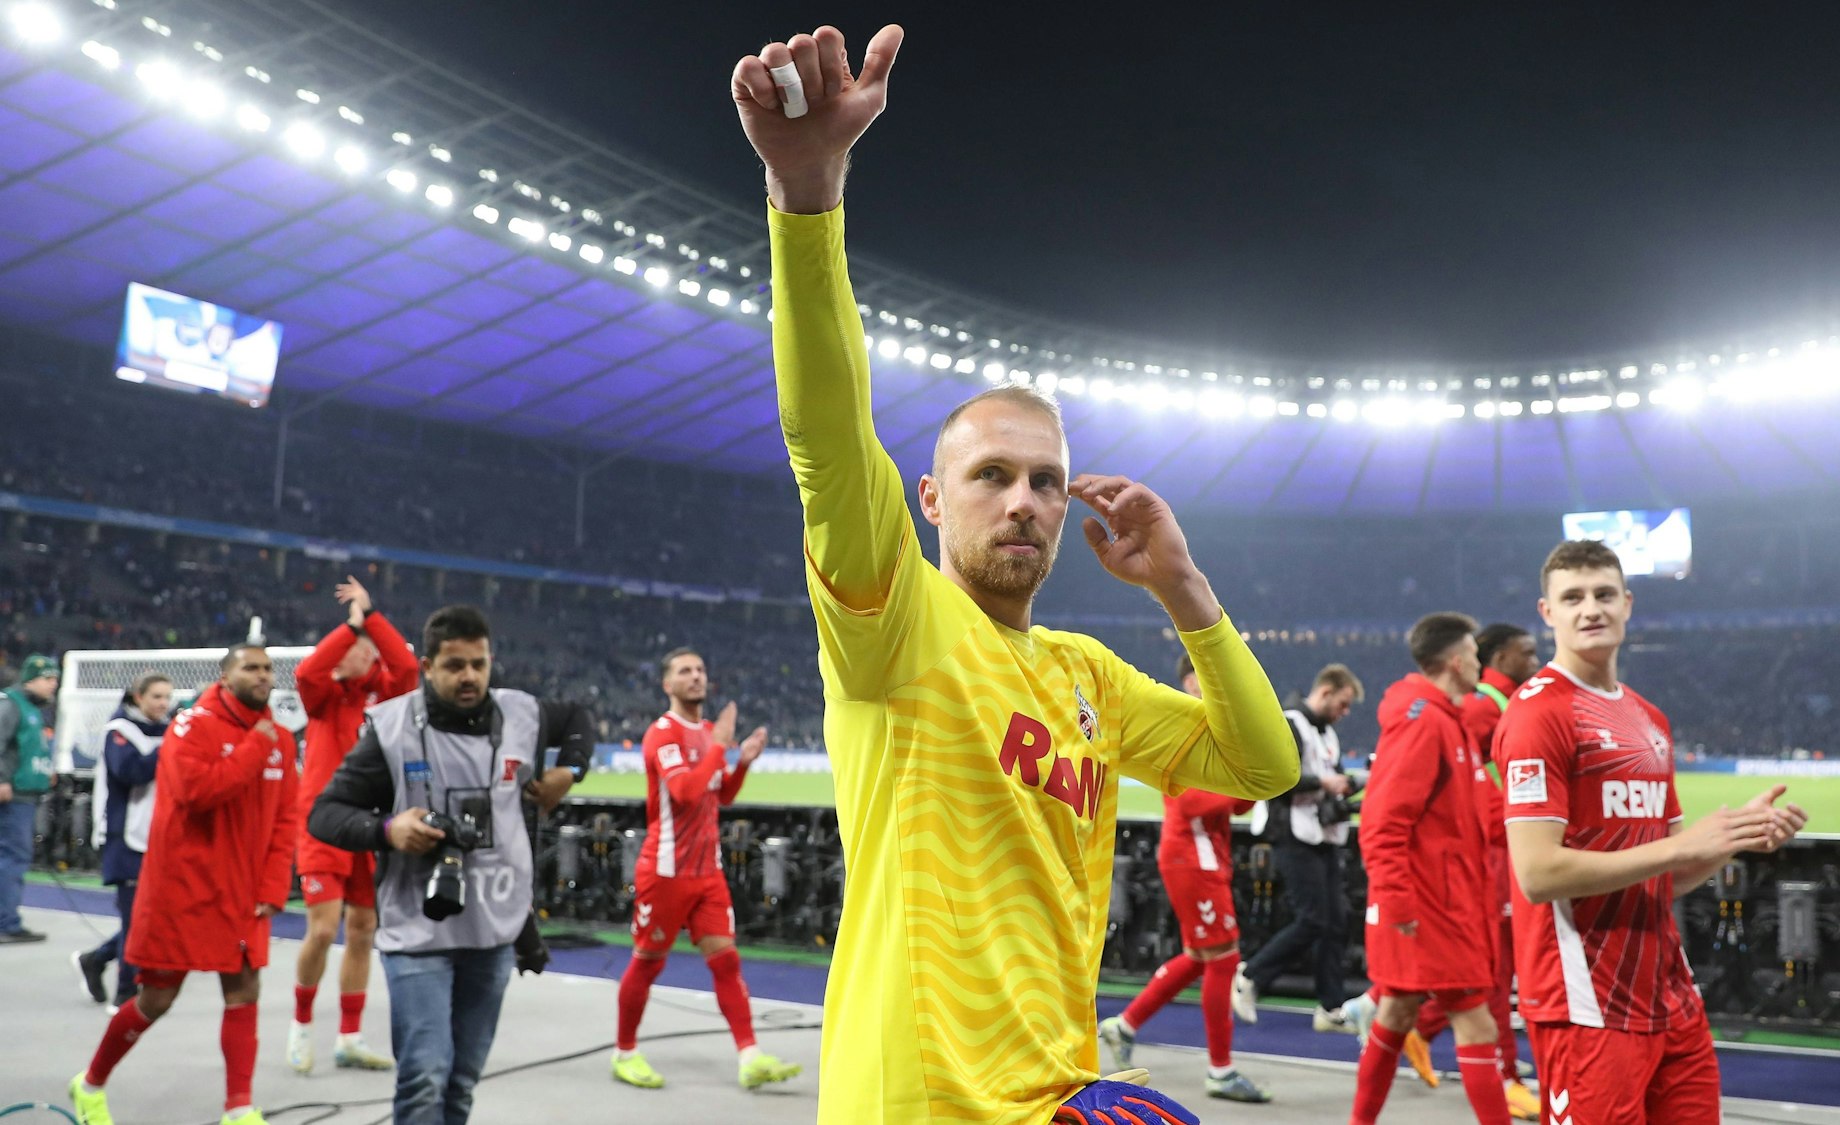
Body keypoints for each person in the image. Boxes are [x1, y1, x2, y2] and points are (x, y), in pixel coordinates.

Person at [735, 26, 1299, 1123]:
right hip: (921, 1103)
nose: (1025, 500)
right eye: (991, 475)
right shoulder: (892, 622)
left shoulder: (1081, 675)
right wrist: (807, 196)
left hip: (1054, 1094)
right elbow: (825, 436)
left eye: (1046, 479)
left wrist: (1185, 595)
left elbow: (1259, 766)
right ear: (932, 501)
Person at [1495, 540, 1807, 1125]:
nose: (1591, 609)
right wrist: (1682, 845)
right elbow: (1538, 875)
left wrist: (1737, 836)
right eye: (1573, 598)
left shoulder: (1648, 719)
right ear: (1547, 613)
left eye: (1604, 594)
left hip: (1668, 991)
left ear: (1628, 604)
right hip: (1586, 1001)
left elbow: (1669, 874)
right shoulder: (1539, 713)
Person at [308, 605, 595, 1125]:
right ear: (427, 666)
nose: (470, 677)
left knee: (461, 1084)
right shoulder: (391, 729)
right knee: (425, 1078)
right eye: (455, 665)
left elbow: (577, 717)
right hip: (418, 933)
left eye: (479, 664)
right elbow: (324, 815)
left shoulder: (521, 713)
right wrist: (388, 830)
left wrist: (569, 770)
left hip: (494, 933)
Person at [69, 644, 301, 1125]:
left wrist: (273, 887)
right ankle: (89, 1083)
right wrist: (254, 745)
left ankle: (239, 1109)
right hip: (185, 890)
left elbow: (284, 820)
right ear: (225, 675)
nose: (262, 676)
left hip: (243, 893)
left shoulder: (281, 737)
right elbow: (199, 793)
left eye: (267, 669)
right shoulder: (190, 725)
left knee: (244, 990)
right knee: (155, 999)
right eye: (250, 668)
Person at [1345, 622, 1542, 1116]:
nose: (1480, 662)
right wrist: (1396, 900)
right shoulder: (1424, 723)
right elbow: (1382, 821)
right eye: (1475, 653)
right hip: (1433, 906)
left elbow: (1481, 815)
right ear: (1457, 661)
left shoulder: (1447, 721)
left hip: (1445, 901)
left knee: (1396, 1013)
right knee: (1477, 1025)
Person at [612, 647, 802, 1091]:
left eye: (700, 668)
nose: (696, 676)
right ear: (668, 684)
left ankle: (750, 1056)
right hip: (665, 871)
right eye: (684, 670)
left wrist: (744, 762)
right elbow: (683, 792)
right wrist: (720, 745)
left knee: (726, 960)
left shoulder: (706, 735)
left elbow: (720, 796)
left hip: (708, 873)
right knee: (647, 963)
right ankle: (625, 1052)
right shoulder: (663, 733)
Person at [1098, 652, 1272, 1104]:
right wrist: (1240, 785)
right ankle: (1220, 1069)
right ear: (1192, 681)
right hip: (1191, 859)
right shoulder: (1184, 722)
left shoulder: (1216, 726)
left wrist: (1252, 782)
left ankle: (1124, 1024)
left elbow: (1237, 805)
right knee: (1223, 957)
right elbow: (1194, 803)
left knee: (1202, 955)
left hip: (1204, 857)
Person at [289, 575, 418, 1074]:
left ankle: (349, 1037)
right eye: (345, 648)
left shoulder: (387, 699)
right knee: (323, 930)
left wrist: (373, 619)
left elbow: (406, 664)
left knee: (363, 929)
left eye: (359, 649)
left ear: (373, 656)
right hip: (322, 824)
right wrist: (351, 627)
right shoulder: (323, 698)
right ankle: (301, 1027)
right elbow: (308, 670)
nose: (347, 656)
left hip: (371, 825)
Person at [1233, 664, 1361, 1030]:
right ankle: (1251, 974)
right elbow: (1275, 779)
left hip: (1321, 835)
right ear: (1324, 691)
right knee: (1313, 919)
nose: (1345, 712)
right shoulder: (1289, 723)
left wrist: (1344, 786)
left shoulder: (1327, 734)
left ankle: (1331, 1007)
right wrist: (1325, 781)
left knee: (1335, 921)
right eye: (1343, 703)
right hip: (1291, 833)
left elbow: (1325, 783)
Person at [73, 673, 173, 1007]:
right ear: (137, 697)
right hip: (125, 837)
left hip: (159, 837)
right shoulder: (118, 731)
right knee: (136, 919)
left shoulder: (168, 729)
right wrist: (174, 745)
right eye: (156, 696)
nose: (163, 704)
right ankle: (126, 993)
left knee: (154, 918)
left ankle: (98, 958)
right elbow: (132, 772)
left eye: (167, 697)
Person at [0, 652, 59, 944]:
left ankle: (7, 918)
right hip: (13, 796)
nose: (53, 685)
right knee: (13, 857)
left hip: (25, 793)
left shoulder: (32, 708)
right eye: (48, 679)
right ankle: (6, 922)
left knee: (13, 857)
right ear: (31, 678)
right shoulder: (11, 704)